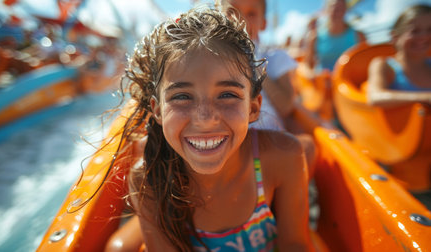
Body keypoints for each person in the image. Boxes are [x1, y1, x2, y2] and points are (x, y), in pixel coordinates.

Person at [106, 6, 313, 252]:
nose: (205, 118)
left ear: (253, 108)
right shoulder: (149, 181)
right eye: (182, 96)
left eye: (227, 94)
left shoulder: (284, 156)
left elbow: (295, 245)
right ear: (158, 110)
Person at [225, 0, 316, 173]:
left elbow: (286, 106)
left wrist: (252, 64)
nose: (240, 20)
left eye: (251, 14)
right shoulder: (211, 59)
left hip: (269, 142)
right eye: (232, 11)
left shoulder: (274, 58)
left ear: (264, 23)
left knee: (306, 146)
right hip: (232, 143)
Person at [367, 4, 431, 106]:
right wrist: (425, 98)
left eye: (429, 30)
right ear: (395, 36)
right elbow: (375, 97)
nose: (423, 36)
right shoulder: (384, 65)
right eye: (414, 31)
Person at [304, 0, 365, 73]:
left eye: (340, 7)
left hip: (351, 80)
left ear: (346, 10)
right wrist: (311, 75)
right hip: (325, 81)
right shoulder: (314, 37)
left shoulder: (359, 35)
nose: (337, 11)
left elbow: (365, 61)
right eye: (333, 7)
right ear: (326, 10)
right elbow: (307, 66)